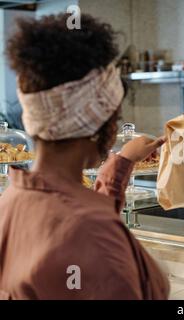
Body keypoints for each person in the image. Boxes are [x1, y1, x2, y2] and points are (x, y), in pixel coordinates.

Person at [0, 13, 169, 300]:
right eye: (114, 114)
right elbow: (86, 230)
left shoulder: (10, 203)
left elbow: (76, 210)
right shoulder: (93, 235)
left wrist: (123, 161)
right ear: (99, 122)